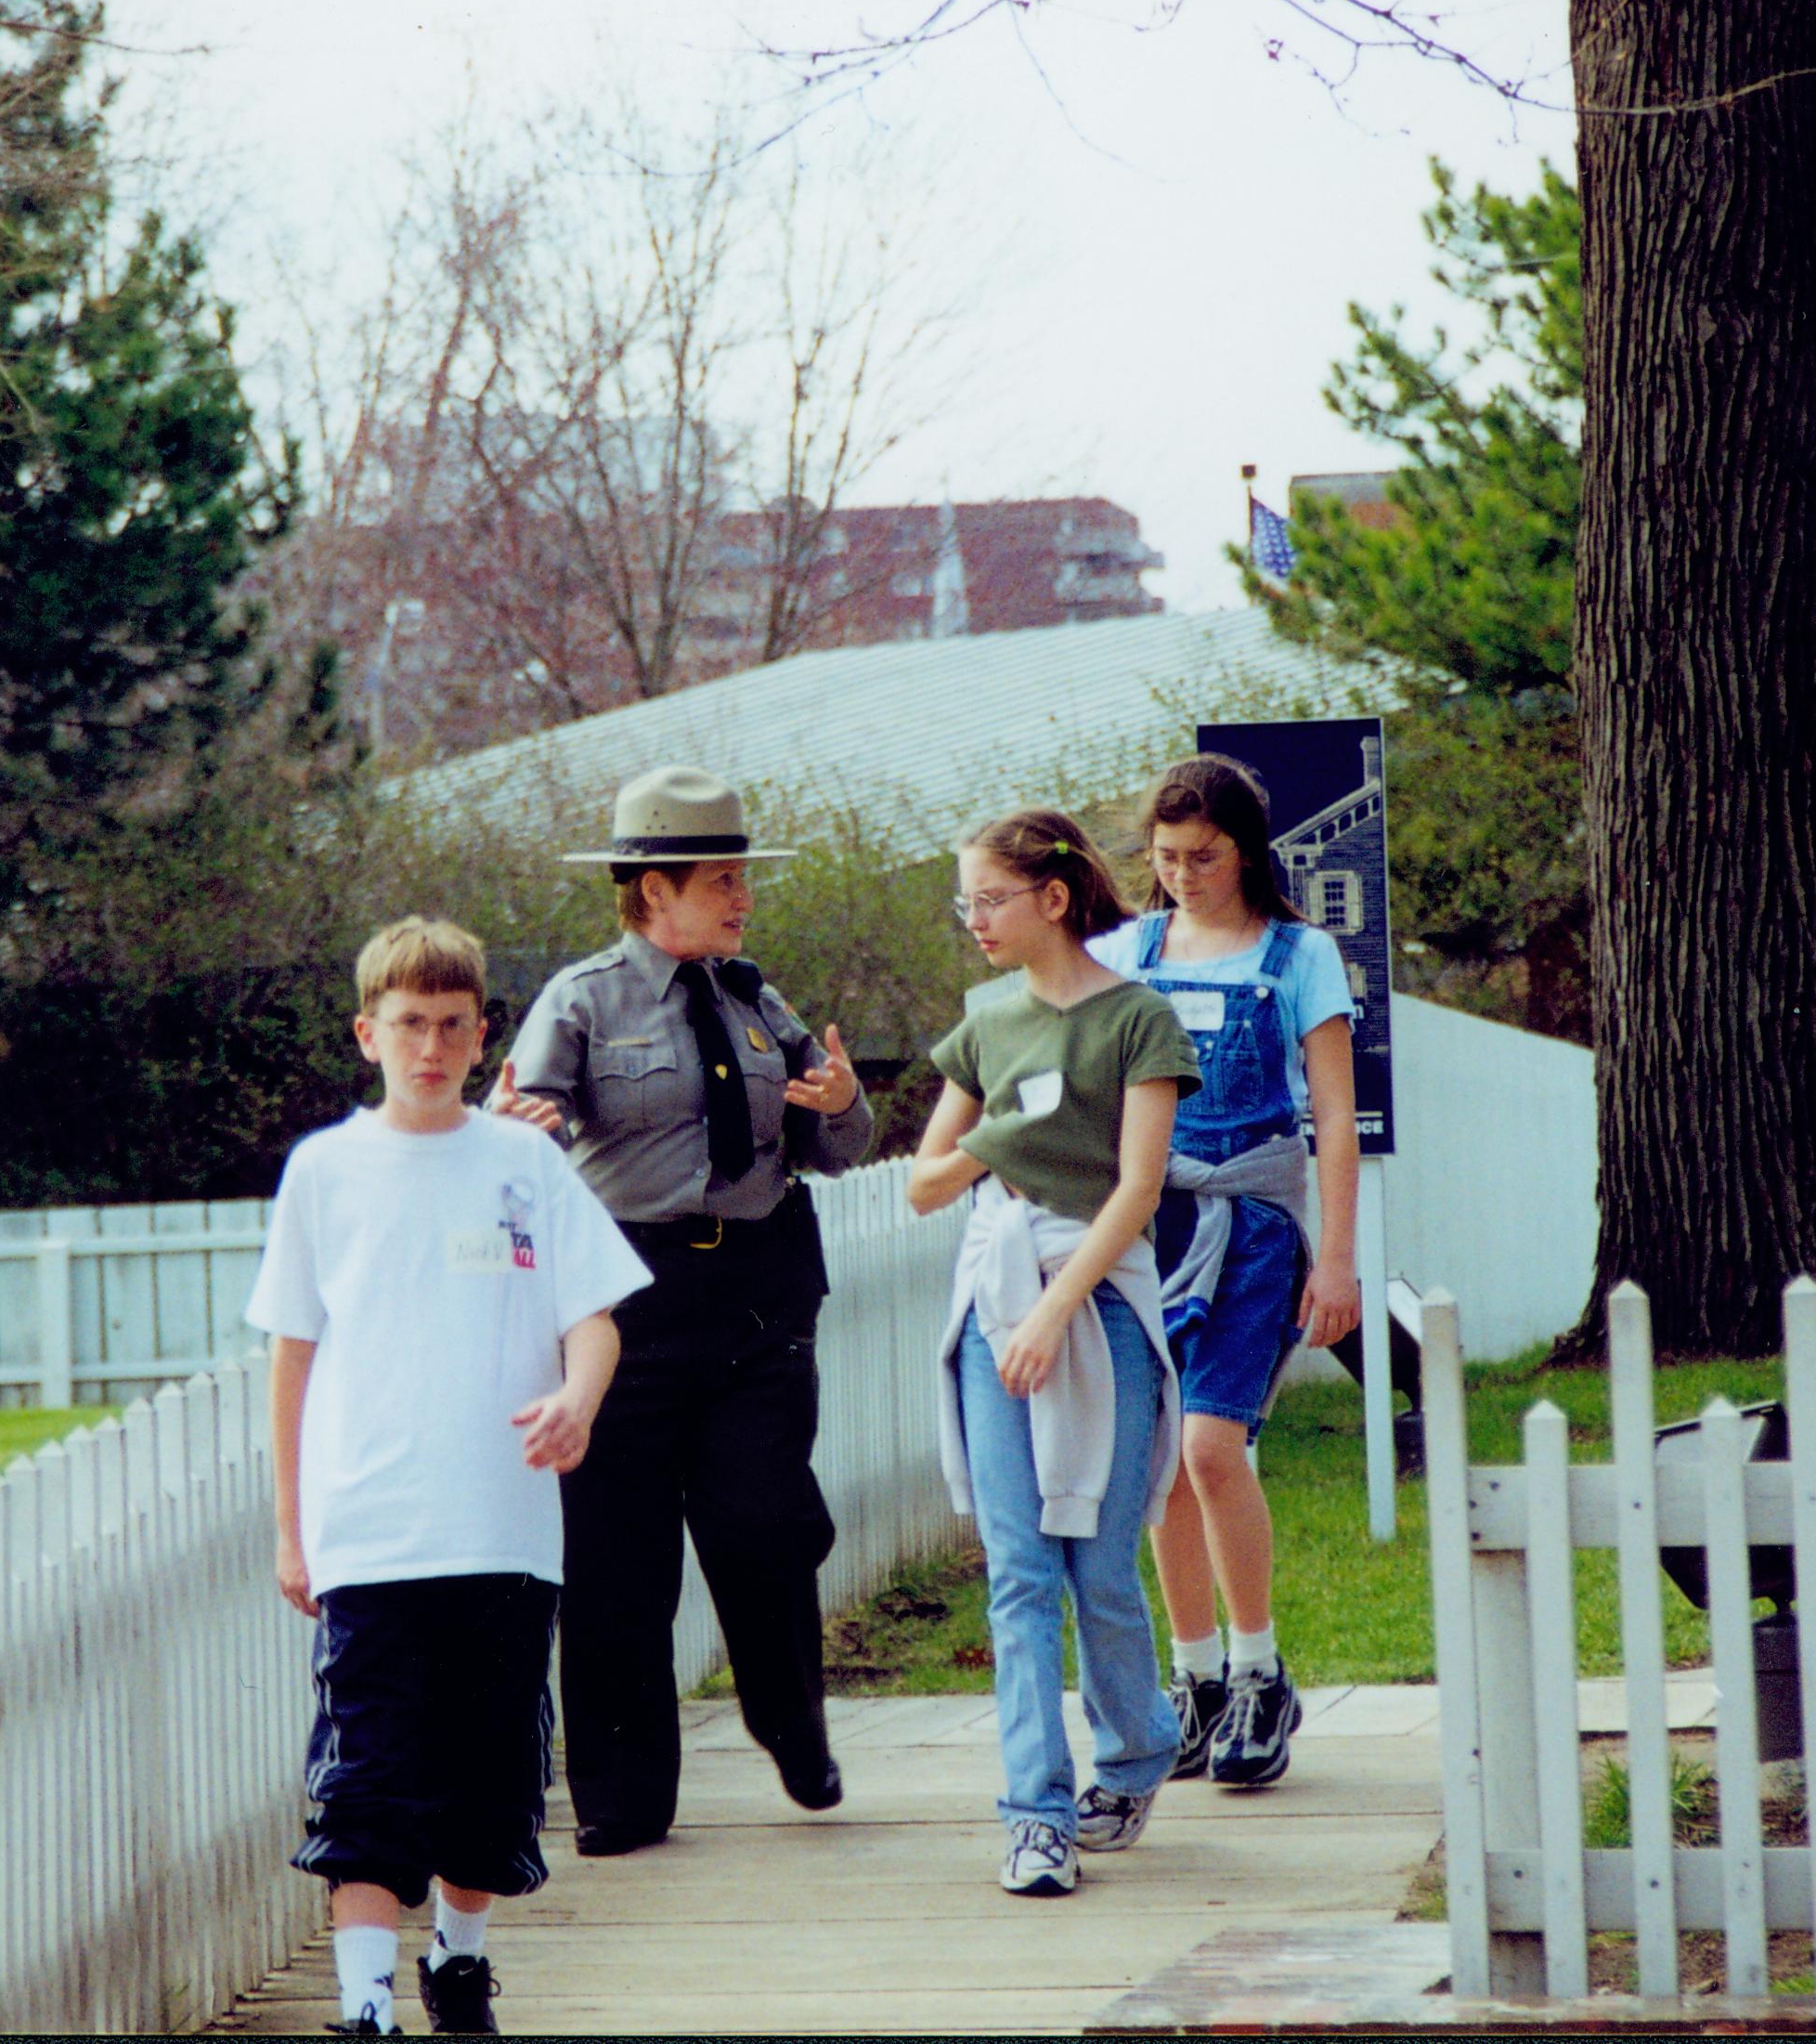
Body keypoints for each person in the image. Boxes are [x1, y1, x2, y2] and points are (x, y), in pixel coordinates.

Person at [250, 918, 650, 2036]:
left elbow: (594, 1318)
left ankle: (460, 1960)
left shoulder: (524, 1163)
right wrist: (292, 1529)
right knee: (367, 1774)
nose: (428, 1046)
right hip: (371, 1529)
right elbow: (291, 1357)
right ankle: (364, 2002)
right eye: (408, 1025)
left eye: (451, 1026)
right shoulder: (323, 1173)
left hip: (504, 1527)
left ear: (482, 1037)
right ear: (366, 1032)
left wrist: (576, 1397)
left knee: (486, 1775)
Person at [495, 765, 876, 1855]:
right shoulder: (579, 1001)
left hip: (756, 1300)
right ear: (651, 889)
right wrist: (523, 1124)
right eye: (720, 880)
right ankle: (620, 1796)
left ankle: (791, 1723)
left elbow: (836, 1146)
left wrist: (840, 1103)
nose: (741, 898)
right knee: (617, 1559)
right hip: (625, 1304)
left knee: (768, 1524)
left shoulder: (760, 1001)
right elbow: (521, 1130)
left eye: (741, 878)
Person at [909, 809, 1200, 1895]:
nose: (973, 920)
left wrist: (1054, 1311)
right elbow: (924, 1180)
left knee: (1096, 1561)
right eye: (964, 902)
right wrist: (1000, 1131)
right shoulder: (985, 1026)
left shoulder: (1138, 1020)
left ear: (1053, 897)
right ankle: (1033, 1812)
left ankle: (1135, 1747)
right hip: (996, 1292)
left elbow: (1135, 1188)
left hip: (1099, 1300)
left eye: (988, 898)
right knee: (1019, 1568)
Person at [1089, 754, 1362, 1791]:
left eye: (1201, 856)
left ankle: (1258, 1670)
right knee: (1158, 1455)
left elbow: (1330, 1115)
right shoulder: (1126, 949)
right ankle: (1194, 1681)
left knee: (1209, 1445)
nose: (1181, 875)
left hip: (1250, 1222)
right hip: (1146, 1221)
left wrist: (1331, 1255)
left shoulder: (1298, 956)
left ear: (1244, 850)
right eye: (1163, 859)